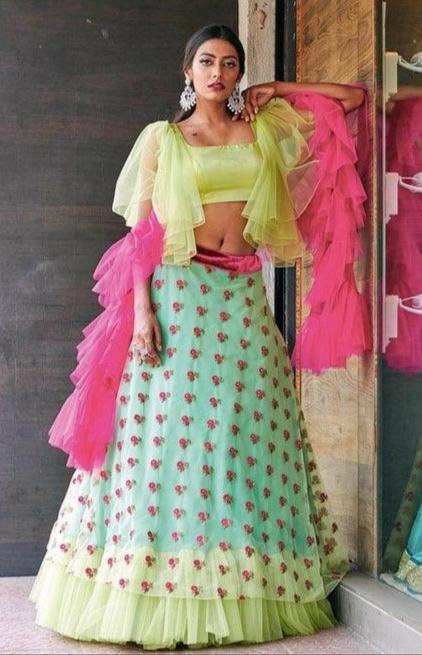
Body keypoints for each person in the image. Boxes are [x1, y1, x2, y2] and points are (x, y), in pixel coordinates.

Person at [29, 23, 367, 651]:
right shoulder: (162, 139)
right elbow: (141, 235)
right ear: (188, 71)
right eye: (207, 62)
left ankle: (241, 582)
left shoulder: (261, 126)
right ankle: (154, 589)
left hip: (241, 296)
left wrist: (276, 87)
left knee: (247, 429)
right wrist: (143, 313)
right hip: (178, 294)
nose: (218, 73)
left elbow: (351, 100)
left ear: (240, 73)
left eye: (230, 64)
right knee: (168, 436)